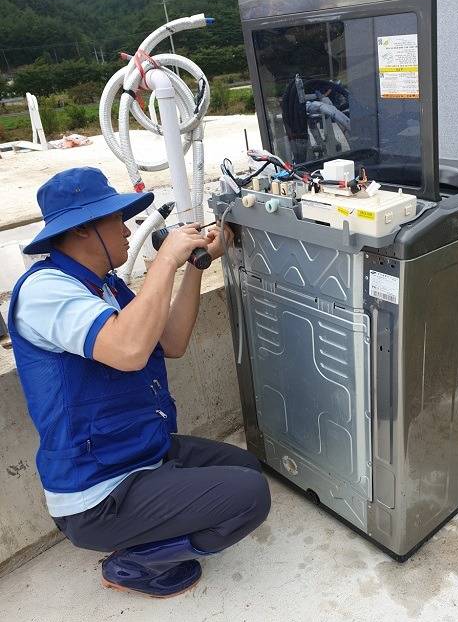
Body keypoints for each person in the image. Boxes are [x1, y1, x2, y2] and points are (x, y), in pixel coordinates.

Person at [8, 167, 271, 598]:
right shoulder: (44, 291)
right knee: (249, 496)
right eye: (117, 220)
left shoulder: (106, 287)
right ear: (81, 232)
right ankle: (134, 563)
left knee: (245, 468)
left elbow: (171, 342)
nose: (128, 230)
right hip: (100, 490)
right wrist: (166, 259)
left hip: (137, 453)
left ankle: (149, 527)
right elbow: (129, 350)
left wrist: (193, 267)